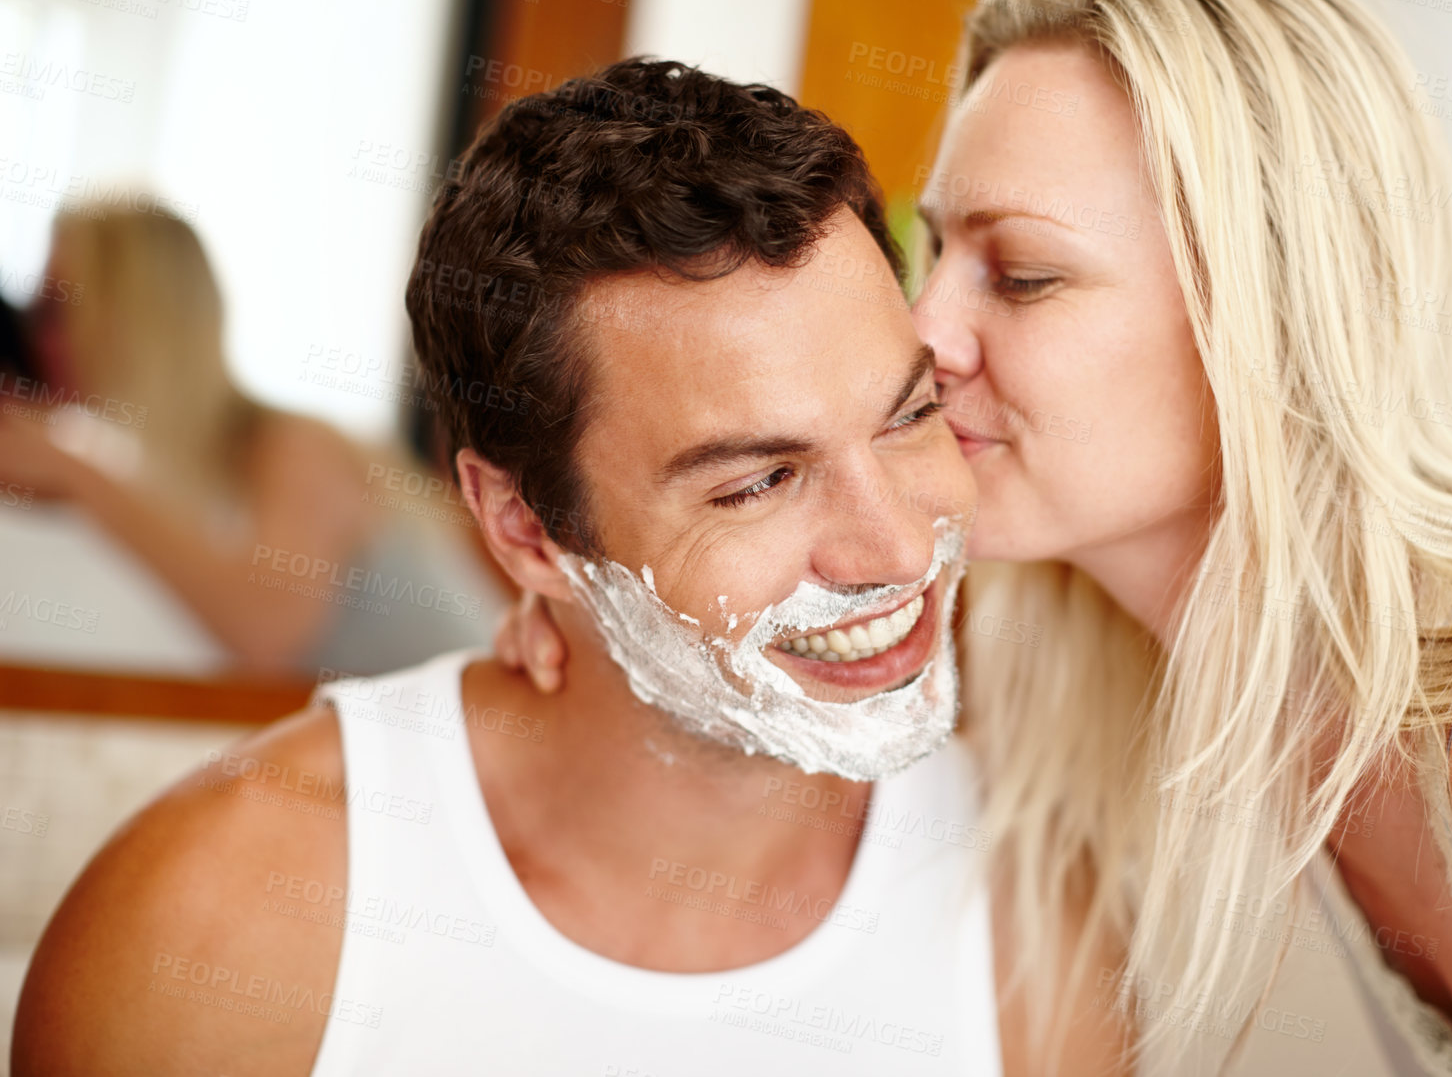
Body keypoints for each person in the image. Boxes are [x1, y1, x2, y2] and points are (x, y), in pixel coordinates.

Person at [494, 0, 1452, 1075]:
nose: (918, 341)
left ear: (1267, 319)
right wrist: (600, 604)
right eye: (928, 259)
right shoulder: (1176, 695)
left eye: (1022, 276)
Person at [13, 60, 1127, 1076]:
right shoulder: (216, 923)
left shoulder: (1041, 926)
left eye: (911, 416)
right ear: (527, 531)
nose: (895, 550)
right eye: (756, 484)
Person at [0, 203, 502, 674]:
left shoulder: (293, 448)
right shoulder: (168, 475)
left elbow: (265, 635)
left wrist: (78, 477)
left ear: (126, 319)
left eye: (54, 307)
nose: (35, 336)